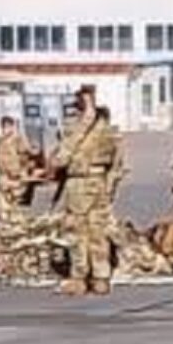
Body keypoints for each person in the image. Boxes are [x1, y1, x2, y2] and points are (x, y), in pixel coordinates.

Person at [51, 85, 118, 296]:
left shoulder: (76, 127)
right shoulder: (106, 128)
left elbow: (61, 158)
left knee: (77, 231)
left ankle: (78, 277)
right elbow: (115, 162)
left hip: (79, 182)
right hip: (99, 182)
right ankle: (101, 277)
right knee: (98, 231)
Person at [0, 115, 32, 227]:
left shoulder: (19, 139)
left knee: (17, 202)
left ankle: (17, 224)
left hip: (17, 175)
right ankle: (5, 224)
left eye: (9, 126)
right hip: (4, 175)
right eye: (4, 126)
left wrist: (23, 171)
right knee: (3, 204)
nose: (6, 129)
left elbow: (26, 155)